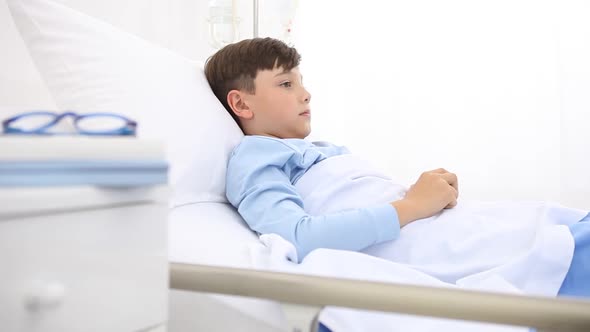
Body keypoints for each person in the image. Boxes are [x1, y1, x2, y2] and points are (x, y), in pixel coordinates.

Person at [204, 37, 589, 298]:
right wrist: (413, 205)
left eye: (301, 82)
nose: (305, 93)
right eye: (286, 84)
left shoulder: (321, 150)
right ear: (241, 105)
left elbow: (363, 198)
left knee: (550, 225)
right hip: (423, 244)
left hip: (435, 226)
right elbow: (297, 237)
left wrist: (427, 194)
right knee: (557, 247)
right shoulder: (255, 156)